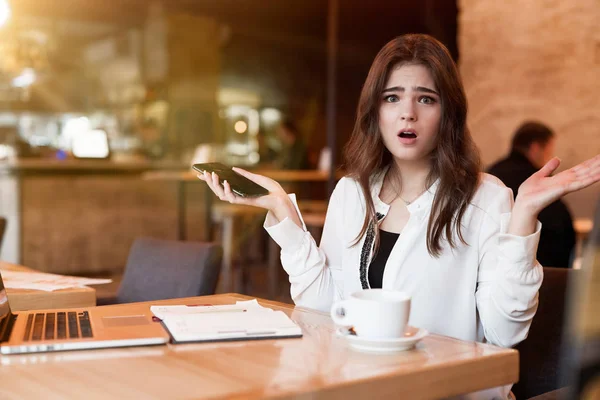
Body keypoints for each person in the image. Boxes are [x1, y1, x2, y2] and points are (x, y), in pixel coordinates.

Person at [198, 34, 600, 399]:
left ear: (448, 112)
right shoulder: (352, 193)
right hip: (364, 388)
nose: (407, 113)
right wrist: (285, 215)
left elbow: (503, 332)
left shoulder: (487, 198)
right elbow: (323, 311)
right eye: (392, 97)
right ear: (375, 110)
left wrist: (523, 217)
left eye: (426, 98)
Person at [488, 122, 576, 268]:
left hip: (493, 265)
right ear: (535, 148)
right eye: (549, 151)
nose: (550, 157)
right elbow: (561, 233)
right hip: (538, 267)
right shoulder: (539, 180)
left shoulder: (491, 174)